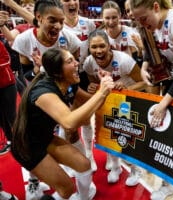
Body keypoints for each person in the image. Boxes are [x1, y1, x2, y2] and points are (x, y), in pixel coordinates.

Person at [11, 47, 115, 199]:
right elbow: (68, 122)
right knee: (67, 189)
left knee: (84, 164)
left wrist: (104, 87)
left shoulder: (69, 84)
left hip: (45, 137)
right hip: (27, 146)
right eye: (70, 61)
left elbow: (91, 102)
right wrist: (101, 93)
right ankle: (36, 183)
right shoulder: (43, 92)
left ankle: (83, 197)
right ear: (58, 72)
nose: (77, 63)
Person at [11, 0, 82, 198]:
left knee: (67, 130)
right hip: (37, 97)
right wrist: (37, 73)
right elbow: (24, 74)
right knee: (33, 134)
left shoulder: (70, 39)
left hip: (63, 93)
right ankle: (33, 180)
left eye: (61, 21)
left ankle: (59, 169)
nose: (58, 26)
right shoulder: (25, 40)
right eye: (52, 20)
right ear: (39, 18)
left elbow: (76, 71)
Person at [129, 0, 173, 199]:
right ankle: (169, 184)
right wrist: (143, 67)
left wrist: (164, 102)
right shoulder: (153, 24)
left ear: (156, 7)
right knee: (166, 136)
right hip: (171, 81)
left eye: (143, 18)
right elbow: (151, 52)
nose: (141, 23)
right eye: (137, 19)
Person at [83, 29, 145, 186]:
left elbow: (144, 82)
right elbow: (94, 84)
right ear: (89, 48)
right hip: (109, 100)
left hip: (129, 99)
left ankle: (136, 170)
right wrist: (91, 86)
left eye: (102, 46)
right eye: (94, 47)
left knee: (128, 135)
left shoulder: (124, 60)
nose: (98, 51)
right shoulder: (89, 63)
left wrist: (125, 89)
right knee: (109, 132)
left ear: (109, 46)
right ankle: (116, 167)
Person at [59, 0, 97, 174]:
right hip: (62, 77)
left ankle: (88, 155)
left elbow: (95, 49)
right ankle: (69, 158)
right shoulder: (57, 25)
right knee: (64, 119)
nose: (72, 2)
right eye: (67, 0)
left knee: (86, 117)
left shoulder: (88, 24)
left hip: (82, 75)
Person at [0, 39, 16, 155]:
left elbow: (7, 59)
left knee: (12, 115)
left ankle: (23, 138)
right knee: (1, 116)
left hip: (7, 84)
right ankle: (10, 141)